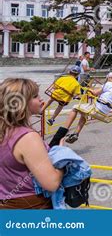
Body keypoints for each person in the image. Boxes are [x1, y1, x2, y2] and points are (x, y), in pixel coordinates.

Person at [0, 78, 64, 209]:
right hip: (32, 206)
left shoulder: (4, 131)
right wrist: (62, 157)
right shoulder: (27, 137)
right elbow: (51, 183)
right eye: (35, 96)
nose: (41, 99)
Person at [48, 72, 112, 145]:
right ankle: (76, 133)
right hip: (104, 114)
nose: (107, 80)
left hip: (95, 109)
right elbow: (109, 99)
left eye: (108, 78)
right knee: (84, 113)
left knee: (75, 108)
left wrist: (88, 88)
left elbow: (95, 92)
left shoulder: (109, 84)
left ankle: (64, 130)